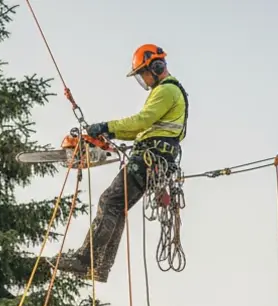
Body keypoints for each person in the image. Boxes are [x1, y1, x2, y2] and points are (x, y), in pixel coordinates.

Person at [54, 44, 188, 283]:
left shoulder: (166, 90)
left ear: (155, 67)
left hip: (149, 159)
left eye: (143, 74)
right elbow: (144, 128)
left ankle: (85, 260)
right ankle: (100, 267)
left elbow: (140, 121)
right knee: (118, 206)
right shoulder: (168, 92)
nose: (143, 80)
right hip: (155, 158)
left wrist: (106, 127)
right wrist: (111, 135)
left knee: (110, 201)